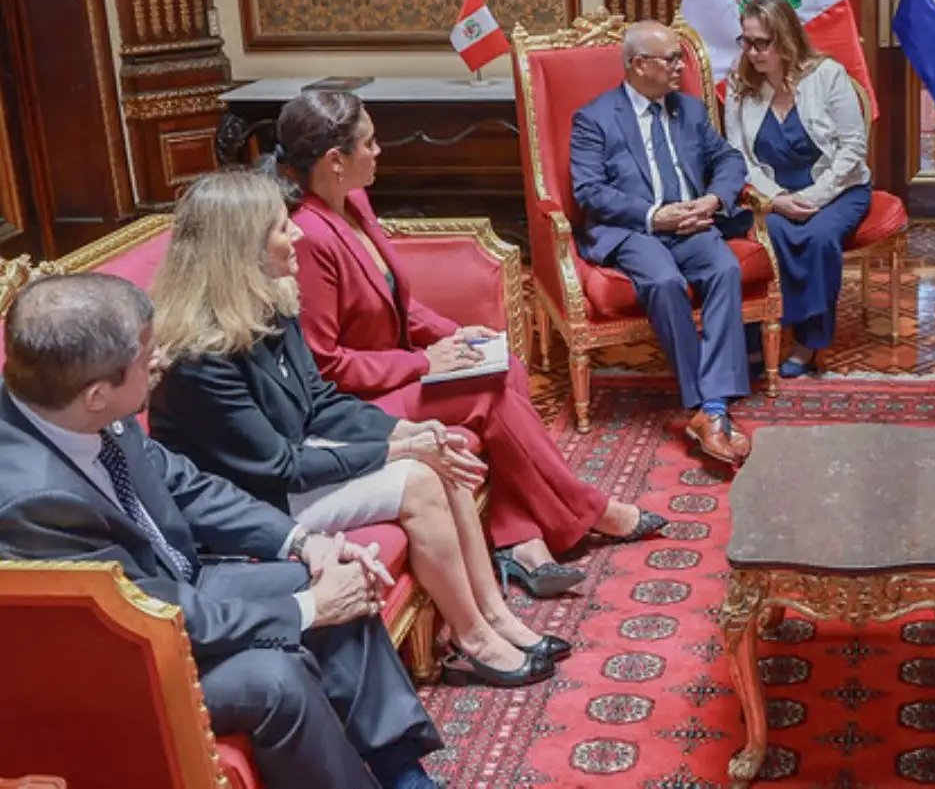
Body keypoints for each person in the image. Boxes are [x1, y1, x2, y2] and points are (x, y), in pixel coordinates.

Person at [0, 274, 441, 789]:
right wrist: (308, 609)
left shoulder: (70, 402)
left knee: (340, 583)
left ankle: (404, 776)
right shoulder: (32, 499)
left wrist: (305, 543)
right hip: (118, 657)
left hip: (171, 588)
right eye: (147, 359)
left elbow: (188, 487)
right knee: (277, 681)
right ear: (97, 395)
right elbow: (142, 610)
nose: (161, 360)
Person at [147, 170, 562, 689]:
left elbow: (318, 402)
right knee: (419, 479)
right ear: (240, 250)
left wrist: (409, 430)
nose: (296, 233)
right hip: (257, 500)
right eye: (280, 228)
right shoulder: (200, 360)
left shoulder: (271, 300)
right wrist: (397, 452)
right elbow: (280, 466)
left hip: (295, 462)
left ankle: (495, 615)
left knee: (440, 451)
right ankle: (473, 637)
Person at [274, 89, 665, 599]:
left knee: (508, 370)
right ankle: (588, 509)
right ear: (335, 161)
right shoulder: (309, 235)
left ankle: (519, 539)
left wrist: (452, 334)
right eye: (369, 144)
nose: (379, 152)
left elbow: (398, 302)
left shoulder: (355, 201)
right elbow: (325, 366)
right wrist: (421, 362)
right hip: (354, 405)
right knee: (488, 392)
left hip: (398, 369)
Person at [569, 19, 754, 466]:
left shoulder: (688, 110)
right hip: (636, 229)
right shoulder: (594, 118)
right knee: (664, 281)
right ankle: (706, 406)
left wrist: (712, 199)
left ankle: (711, 410)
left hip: (691, 223)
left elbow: (728, 158)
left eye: (679, 57)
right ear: (637, 65)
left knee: (725, 268)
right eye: (670, 58)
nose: (679, 66)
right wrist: (654, 215)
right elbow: (588, 191)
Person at [722, 0, 872, 375]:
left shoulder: (827, 75)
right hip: (771, 195)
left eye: (762, 43)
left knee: (819, 237)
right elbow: (738, 155)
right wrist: (776, 200)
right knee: (765, 233)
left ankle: (808, 340)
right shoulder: (740, 84)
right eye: (746, 41)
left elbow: (852, 148)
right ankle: (756, 337)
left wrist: (811, 197)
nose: (752, 52)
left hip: (838, 188)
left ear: (785, 39)